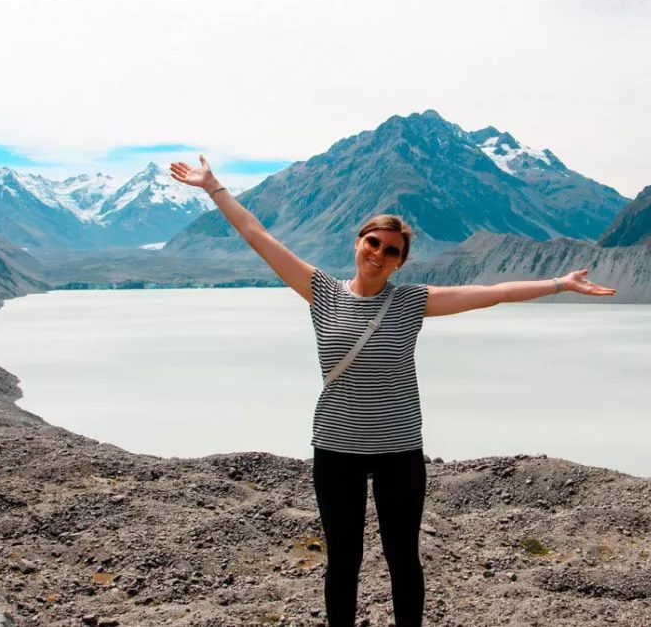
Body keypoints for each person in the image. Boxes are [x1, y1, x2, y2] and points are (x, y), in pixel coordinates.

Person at [170, 156, 616, 627]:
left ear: (400, 261)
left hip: (398, 450)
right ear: (358, 242)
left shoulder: (410, 301)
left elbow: (493, 292)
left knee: (403, 558)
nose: (378, 254)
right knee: (343, 560)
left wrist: (558, 284)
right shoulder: (321, 291)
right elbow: (258, 236)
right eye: (373, 243)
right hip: (336, 449)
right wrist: (214, 188)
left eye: (390, 251)